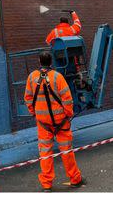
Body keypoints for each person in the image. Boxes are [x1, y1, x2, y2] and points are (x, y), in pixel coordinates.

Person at [24, 51, 85, 192]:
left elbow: (28, 98)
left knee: (45, 154)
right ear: (51, 62)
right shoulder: (58, 77)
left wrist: (35, 114)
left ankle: (47, 185)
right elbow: (68, 99)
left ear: (40, 62)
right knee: (67, 152)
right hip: (61, 123)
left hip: (43, 125)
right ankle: (75, 179)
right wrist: (67, 115)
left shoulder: (32, 77)